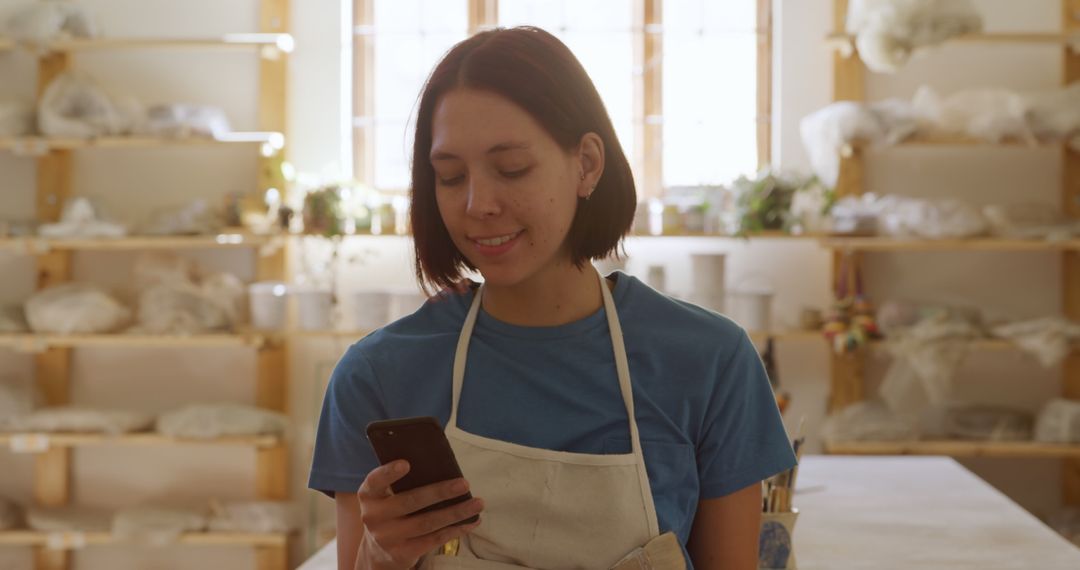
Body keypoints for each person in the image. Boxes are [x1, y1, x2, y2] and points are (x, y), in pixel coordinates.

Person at [309, 26, 796, 570]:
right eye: (449, 176)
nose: (478, 204)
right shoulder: (377, 376)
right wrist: (378, 557)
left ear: (586, 164)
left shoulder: (710, 362)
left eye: (511, 168)